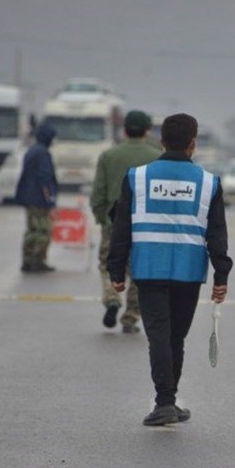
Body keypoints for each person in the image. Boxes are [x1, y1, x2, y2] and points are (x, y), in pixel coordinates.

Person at [108, 113, 233, 426]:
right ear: (193, 144)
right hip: (189, 272)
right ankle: (168, 400)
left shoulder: (136, 177)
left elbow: (121, 226)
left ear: (161, 141)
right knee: (175, 337)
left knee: (160, 336)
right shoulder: (209, 182)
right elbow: (217, 233)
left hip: (149, 267)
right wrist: (221, 276)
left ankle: (166, 401)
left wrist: (115, 268)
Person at [90, 110, 159, 334]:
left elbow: (98, 193)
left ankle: (112, 298)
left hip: (114, 221)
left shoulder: (109, 156)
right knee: (140, 270)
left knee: (107, 264)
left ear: (124, 130)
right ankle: (130, 318)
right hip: (146, 223)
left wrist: (101, 218)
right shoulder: (157, 155)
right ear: (148, 130)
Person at [14, 123, 59, 273]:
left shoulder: (32, 150)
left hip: (28, 197)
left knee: (31, 229)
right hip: (39, 199)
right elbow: (45, 178)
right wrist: (51, 201)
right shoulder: (43, 153)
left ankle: (27, 260)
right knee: (43, 231)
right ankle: (37, 260)